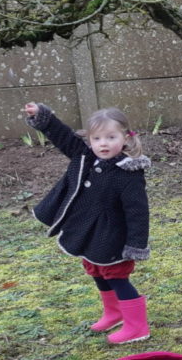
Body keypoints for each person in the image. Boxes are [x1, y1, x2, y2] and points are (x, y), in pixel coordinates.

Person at [25, 102, 152, 344]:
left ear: (125, 138)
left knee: (116, 277)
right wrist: (43, 116)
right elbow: (63, 137)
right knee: (96, 271)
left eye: (111, 137)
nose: (103, 144)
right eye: (97, 138)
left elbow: (138, 212)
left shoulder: (128, 174)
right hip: (88, 232)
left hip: (113, 236)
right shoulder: (84, 156)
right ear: (90, 140)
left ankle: (137, 326)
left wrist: (136, 244)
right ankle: (114, 313)